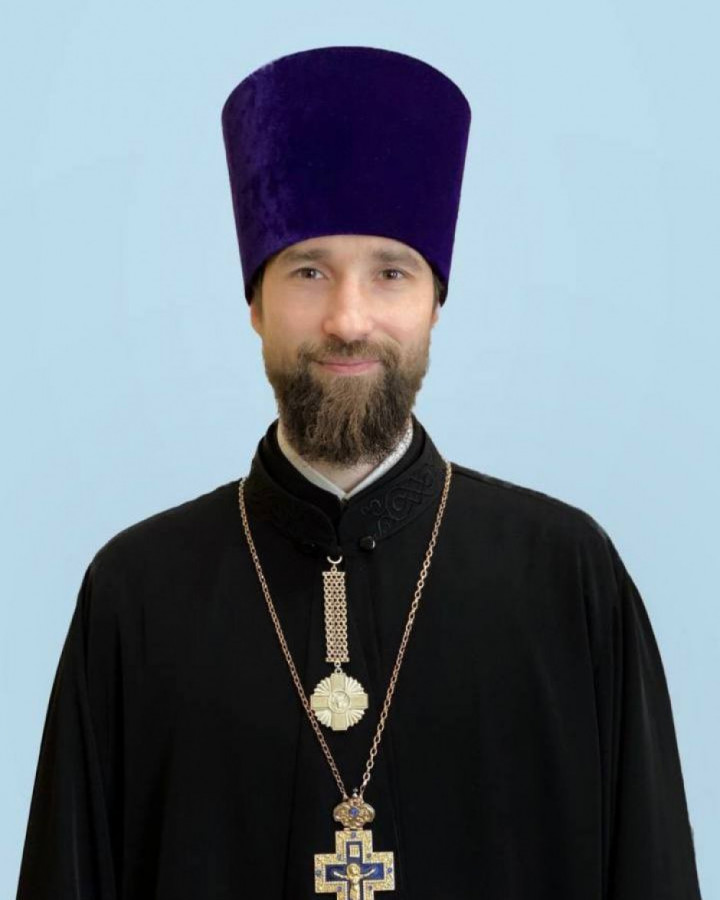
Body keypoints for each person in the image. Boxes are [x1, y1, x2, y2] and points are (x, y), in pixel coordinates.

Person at [15, 46, 703, 900]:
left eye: (390, 273)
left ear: (434, 302)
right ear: (255, 303)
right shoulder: (136, 595)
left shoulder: (570, 578)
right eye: (309, 272)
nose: (348, 319)